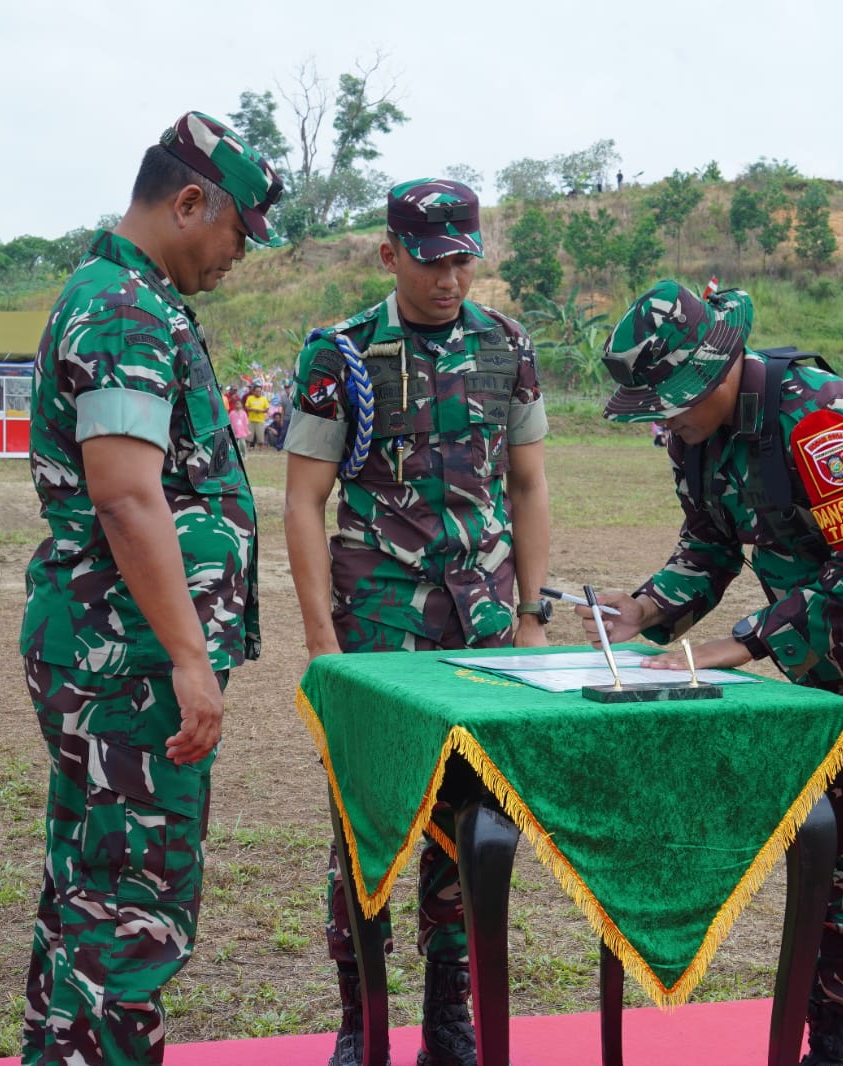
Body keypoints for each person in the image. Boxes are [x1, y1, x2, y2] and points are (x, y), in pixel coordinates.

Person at [579, 280, 843, 1066]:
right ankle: (830, 1044)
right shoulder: (696, 436)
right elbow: (709, 544)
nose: (665, 420)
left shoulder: (817, 416)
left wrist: (743, 645)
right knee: (835, 870)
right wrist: (647, 607)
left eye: (671, 401)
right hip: (824, 673)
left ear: (718, 368)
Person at [18, 109, 279, 1066]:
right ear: (190, 202)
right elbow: (127, 497)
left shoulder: (126, 295)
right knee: (132, 912)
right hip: (127, 662)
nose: (239, 254)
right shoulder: (126, 308)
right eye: (239, 231)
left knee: (88, 895)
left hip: (111, 651)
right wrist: (188, 657)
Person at [283, 177, 552, 1066]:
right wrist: (323, 646)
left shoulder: (506, 344)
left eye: (464, 259)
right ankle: (360, 1019)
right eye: (433, 261)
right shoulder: (340, 356)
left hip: (482, 626)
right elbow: (303, 501)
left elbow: (528, 485)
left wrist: (531, 615)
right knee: (364, 823)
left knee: (471, 822)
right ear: (389, 253)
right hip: (378, 626)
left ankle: (447, 1015)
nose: (451, 279)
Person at [244, 383, 269, 447]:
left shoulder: (264, 399)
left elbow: (267, 409)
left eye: (260, 391)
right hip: (251, 419)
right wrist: (253, 409)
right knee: (249, 436)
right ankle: (248, 447)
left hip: (260, 420)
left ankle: (261, 449)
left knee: (260, 436)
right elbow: (246, 407)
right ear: (254, 391)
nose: (258, 392)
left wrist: (260, 411)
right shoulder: (250, 398)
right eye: (257, 391)